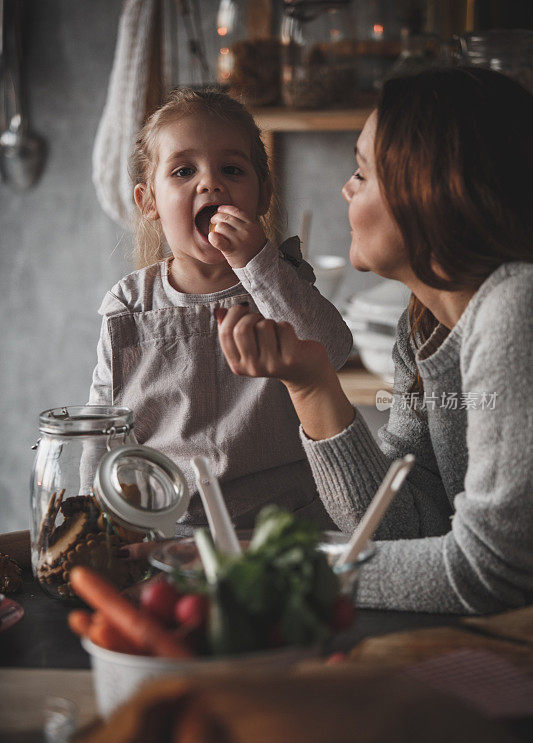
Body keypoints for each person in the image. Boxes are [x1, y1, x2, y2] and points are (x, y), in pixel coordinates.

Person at [216, 67, 533, 614]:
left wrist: (283, 572)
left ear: (431, 191)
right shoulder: (424, 327)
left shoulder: (515, 309)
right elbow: (406, 524)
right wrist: (313, 386)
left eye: (361, 172)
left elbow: (490, 573)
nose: (346, 188)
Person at [88, 88, 352, 527]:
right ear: (148, 201)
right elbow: (100, 429)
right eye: (183, 170)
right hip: (167, 530)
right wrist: (93, 516)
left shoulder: (281, 284)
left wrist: (258, 263)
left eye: (231, 169)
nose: (210, 183)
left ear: (262, 196)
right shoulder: (129, 305)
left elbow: (333, 350)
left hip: (284, 527)